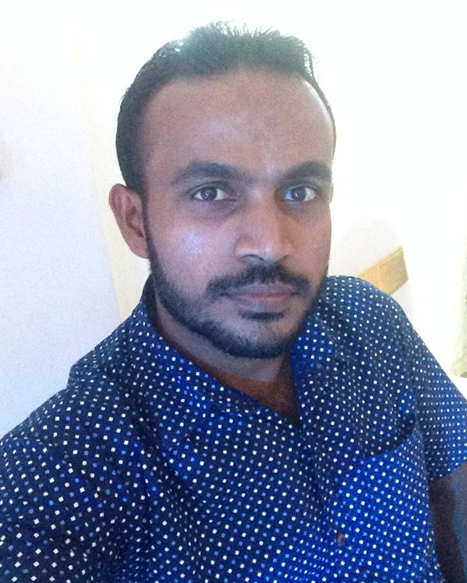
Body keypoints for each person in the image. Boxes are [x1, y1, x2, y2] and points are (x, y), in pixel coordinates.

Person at [0, 22, 466, 583]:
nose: (270, 243)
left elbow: (455, 492)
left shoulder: (368, 321)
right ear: (135, 221)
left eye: (300, 191)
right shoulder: (62, 471)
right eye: (211, 192)